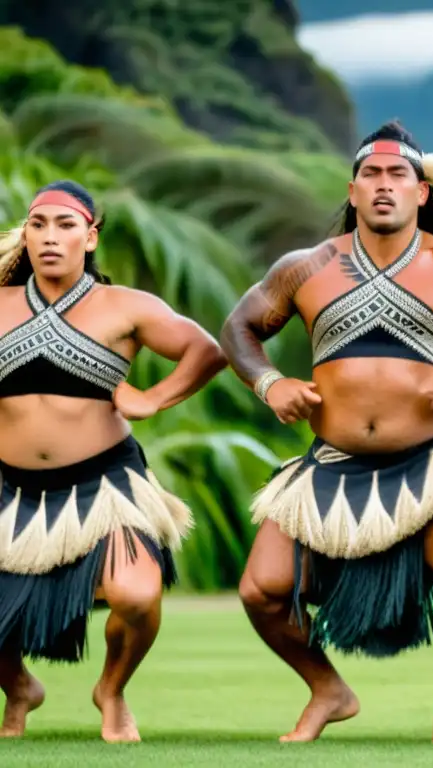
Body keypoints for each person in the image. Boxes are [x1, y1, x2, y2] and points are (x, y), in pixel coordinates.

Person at [219, 120, 433, 747]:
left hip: (429, 462)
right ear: (352, 190)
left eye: (398, 175)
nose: (383, 186)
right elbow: (239, 329)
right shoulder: (305, 268)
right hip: (331, 461)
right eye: (370, 175)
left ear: (422, 193)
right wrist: (269, 384)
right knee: (261, 590)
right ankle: (329, 689)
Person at [0, 180, 226, 742]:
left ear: (90, 236)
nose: (50, 237)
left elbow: (207, 350)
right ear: (25, 235)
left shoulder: (126, 306)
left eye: (66, 225)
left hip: (103, 484)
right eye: (38, 224)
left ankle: (112, 688)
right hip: (9, 487)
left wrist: (151, 399)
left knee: (136, 594)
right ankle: (19, 688)